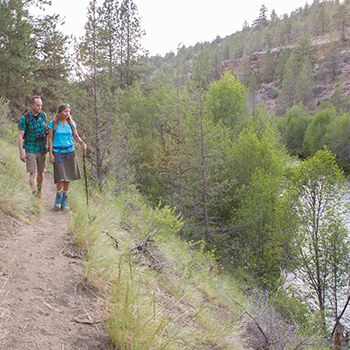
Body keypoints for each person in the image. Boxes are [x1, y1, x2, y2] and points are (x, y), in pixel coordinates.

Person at [48, 103, 86, 210]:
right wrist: (50, 154)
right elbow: (50, 139)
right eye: (65, 111)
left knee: (68, 177)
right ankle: (58, 199)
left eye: (68, 111)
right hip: (58, 152)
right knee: (60, 176)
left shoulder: (71, 123)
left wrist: (82, 143)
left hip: (70, 152)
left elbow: (76, 136)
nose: (67, 113)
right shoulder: (53, 124)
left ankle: (64, 201)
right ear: (59, 112)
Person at [18, 96, 48, 197]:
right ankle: (34, 193)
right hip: (30, 148)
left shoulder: (43, 116)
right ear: (31, 105)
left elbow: (47, 131)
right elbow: (20, 135)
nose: (39, 107)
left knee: (41, 172)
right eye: (37, 105)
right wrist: (21, 152)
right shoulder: (25, 118)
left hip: (42, 148)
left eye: (41, 105)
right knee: (33, 172)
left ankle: (39, 191)